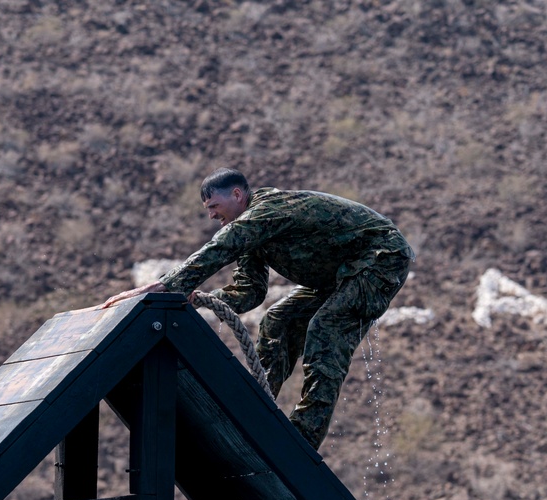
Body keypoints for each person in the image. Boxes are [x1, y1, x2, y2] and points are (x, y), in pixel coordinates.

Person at [103, 168, 413, 450]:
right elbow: (249, 292)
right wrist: (200, 298)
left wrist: (167, 286)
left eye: (213, 206)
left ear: (237, 195)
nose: (211, 215)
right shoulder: (252, 231)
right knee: (278, 320)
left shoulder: (267, 210)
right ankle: (258, 409)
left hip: (381, 258)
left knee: (326, 326)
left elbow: (223, 246)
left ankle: (306, 436)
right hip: (342, 273)